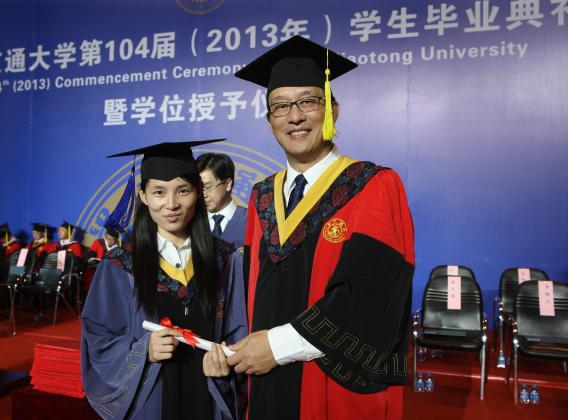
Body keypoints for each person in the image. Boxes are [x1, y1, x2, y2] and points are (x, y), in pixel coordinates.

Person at [227, 36, 415, 420]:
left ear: (332, 109)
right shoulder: (262, 196)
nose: (294, 117)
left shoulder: (371, 184)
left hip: (330, 386)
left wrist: (277, 346)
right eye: (280, 106)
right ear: (269, 121)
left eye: (308, 102)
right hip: (265, 382)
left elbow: (373, 296)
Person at [81, 140, 247, 420]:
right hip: (153, 399)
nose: (171, 204)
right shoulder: (121, 265)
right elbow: (99, 337)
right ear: (143, 195)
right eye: (159, 192)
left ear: (198, 192)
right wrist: (142, 350)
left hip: (207, 395)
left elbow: (239, 330)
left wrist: (226, 362)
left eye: (183, 190)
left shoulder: (226, 259)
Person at [196, 153, 247, 250]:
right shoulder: (194, 222)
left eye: (208, 187)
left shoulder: (250, 220)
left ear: (228, 184)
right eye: (199, 189)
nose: (203, 194)